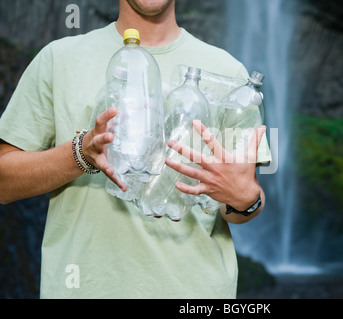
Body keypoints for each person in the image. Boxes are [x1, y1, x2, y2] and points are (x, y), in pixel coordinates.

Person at [0, 0, 271, 298]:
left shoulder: (230, 74)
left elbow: (243, 200)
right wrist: (81, 154)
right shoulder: (58, 59)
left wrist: (244, 198)